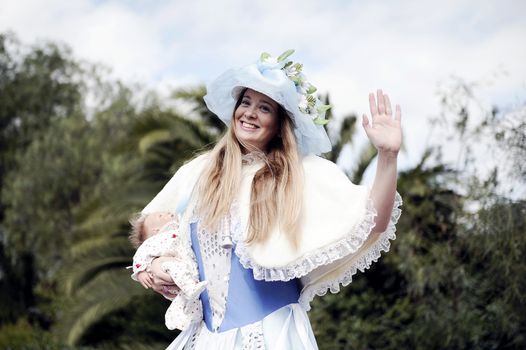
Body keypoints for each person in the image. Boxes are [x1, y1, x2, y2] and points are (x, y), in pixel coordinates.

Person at [134, 49, 403, 349]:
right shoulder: (198, 173)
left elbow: (373, 220)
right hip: (204, 340)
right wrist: (155, 265)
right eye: (245, 102)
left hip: (270, 337)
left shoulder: (299, 175)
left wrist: (388, 157)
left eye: (264, 108)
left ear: (279, 124)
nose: (249, 112)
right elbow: (152, 234)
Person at [129, 211, 208, 331]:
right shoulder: (153, 242)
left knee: (186, 294)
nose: (166, 213)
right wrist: (140, 272)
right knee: (174, 267)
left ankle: (187, 314)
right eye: (160, 215)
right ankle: (190, 290)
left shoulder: (180, 226)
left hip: (186, 263)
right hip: (170, 266)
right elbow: (139, 256)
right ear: (155, 230)